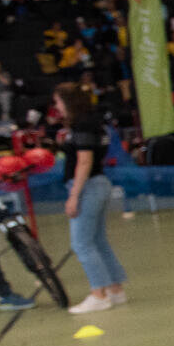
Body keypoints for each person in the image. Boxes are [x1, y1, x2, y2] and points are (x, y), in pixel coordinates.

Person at [58, 84, 128, 314]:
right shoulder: (93, 122)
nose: (57, 107)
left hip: (88, 187)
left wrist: (74, 196)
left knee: (81, 243)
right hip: (98, 184)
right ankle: (115, 289)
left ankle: (99, 294)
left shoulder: (83, 124)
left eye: (58, 102)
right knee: (98, 241)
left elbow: (85, 160)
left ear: (68, 101)